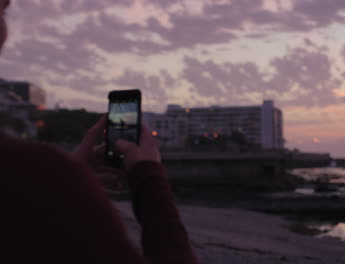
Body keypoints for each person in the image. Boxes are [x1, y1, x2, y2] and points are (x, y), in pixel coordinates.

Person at [0, 0, 198, 263]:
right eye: (3, 8)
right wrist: (149, 177)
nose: (6, 30)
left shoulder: (39, 179)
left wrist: (68, 181)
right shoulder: (35, 174)